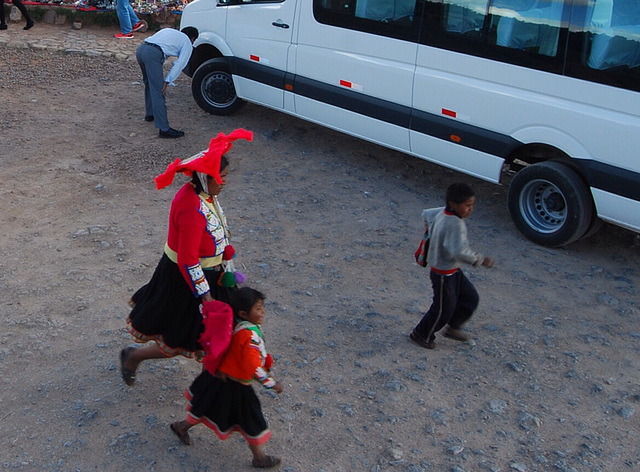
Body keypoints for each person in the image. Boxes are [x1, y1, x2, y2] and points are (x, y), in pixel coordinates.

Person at [119, 129, 253, 386]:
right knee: (184, 335)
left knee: (211, 333)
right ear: (205, 177)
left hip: (212, 273)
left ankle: (218, 383)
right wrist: (206, 297)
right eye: (221, 177)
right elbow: (188, 259)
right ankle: (135, 356)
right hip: (188, 281)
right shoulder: (191, 208)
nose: (224, 182)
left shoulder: (204, 194)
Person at [170, 287, 284, 469]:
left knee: (204, 405)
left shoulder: (234, 325)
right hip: (238, 386)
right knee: (252, 420)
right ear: (243, 313)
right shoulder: (250, 336)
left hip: (220, 378)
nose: (262, 312)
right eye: (258, 309)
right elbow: (253, 366)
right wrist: (272, 383)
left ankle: (182, 426)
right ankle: (259, 458)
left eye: (262, 307)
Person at [410, 182, 494, 349]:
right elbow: (459, 251)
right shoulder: (454, 224)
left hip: (453, 271)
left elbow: (426, 214)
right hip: (442, 274)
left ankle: (453, 328)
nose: (470, 209)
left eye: (472, 205)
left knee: (470, 297)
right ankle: (421, 334)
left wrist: (432, 233)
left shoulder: (443, 212)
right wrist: (480, 259)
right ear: (453, 205)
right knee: (443, 309)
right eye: (467, 206)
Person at [135, 27, 199, 139]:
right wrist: (167, 81)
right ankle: (164, 129)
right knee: (159, 91)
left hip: (141, 50)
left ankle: (150, 114)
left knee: (149, 84)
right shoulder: (187, 42)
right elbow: (180, 64)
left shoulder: (170, 31)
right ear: (193, 39)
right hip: (153, 54)